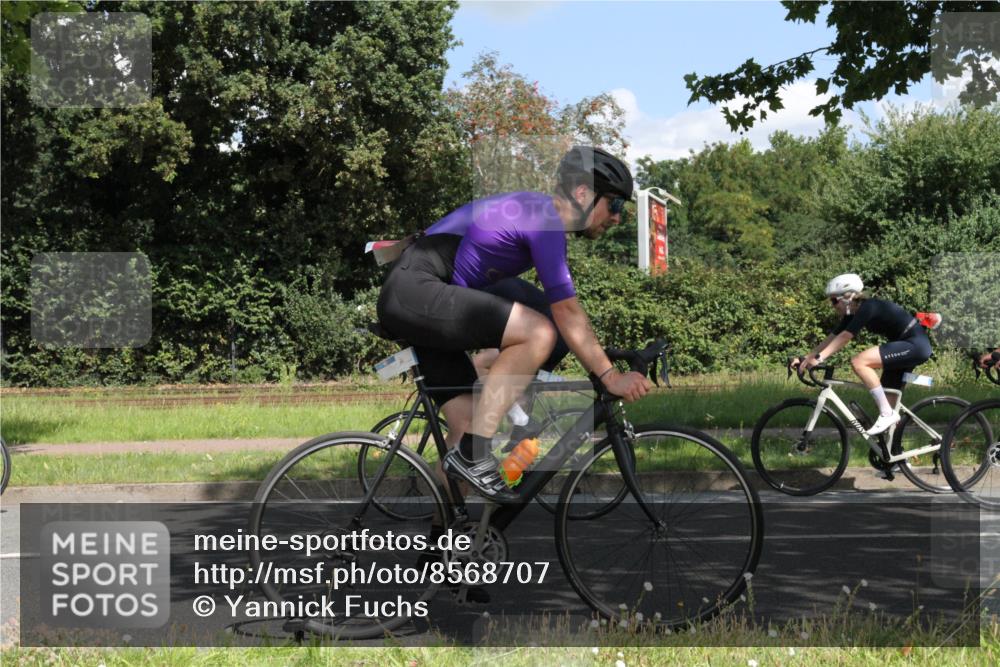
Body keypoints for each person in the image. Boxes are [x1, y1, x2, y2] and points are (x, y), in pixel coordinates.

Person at [376, 146, 650, 503]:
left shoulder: (534, 216)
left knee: (464, 428)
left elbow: (560, 312)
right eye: (615, 205)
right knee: (538, 331)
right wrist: (609, 376)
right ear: (583, 193)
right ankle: (476, 453)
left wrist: (600, 354)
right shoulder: (543, 218)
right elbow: (566, 313)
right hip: (416, 288)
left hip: (419, 293)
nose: (617, 218)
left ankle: (441, 550)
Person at [792, 273, 933, 436]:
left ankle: (887, 414)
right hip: (905, 346)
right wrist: (807, 357)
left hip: (915, 345)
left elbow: (845, 337)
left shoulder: (868, 307)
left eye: (834, 301)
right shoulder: (851, 315)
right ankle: (894, 456)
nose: (833, 306)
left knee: (859, 361)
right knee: (886, 401)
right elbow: (833, 337)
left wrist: (820, 358)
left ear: (847, 297)